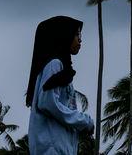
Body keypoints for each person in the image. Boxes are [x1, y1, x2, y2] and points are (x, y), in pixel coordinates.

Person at [27, 15, 94, 154]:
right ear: (64, 36)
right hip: (52, 148)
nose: (80, 39)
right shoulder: (55, 65)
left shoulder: (62, 68)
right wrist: (83, 121)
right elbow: (47, 102)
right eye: (76, 34)